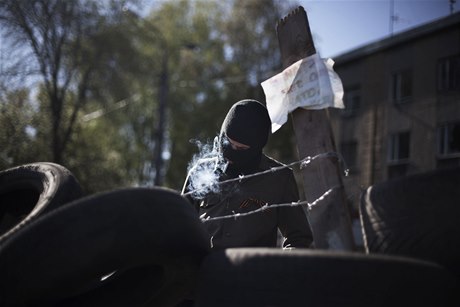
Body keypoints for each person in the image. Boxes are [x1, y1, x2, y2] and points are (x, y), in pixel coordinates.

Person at [181, 99, 313, 249]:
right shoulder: (200, 171)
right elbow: (180, 227)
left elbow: (298, 238)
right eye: (228, 143)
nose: (231, 153)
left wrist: (279, 270)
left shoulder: (279, 179)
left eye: (241, 148)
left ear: (257, 147)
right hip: (205, 269)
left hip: (251, 270)